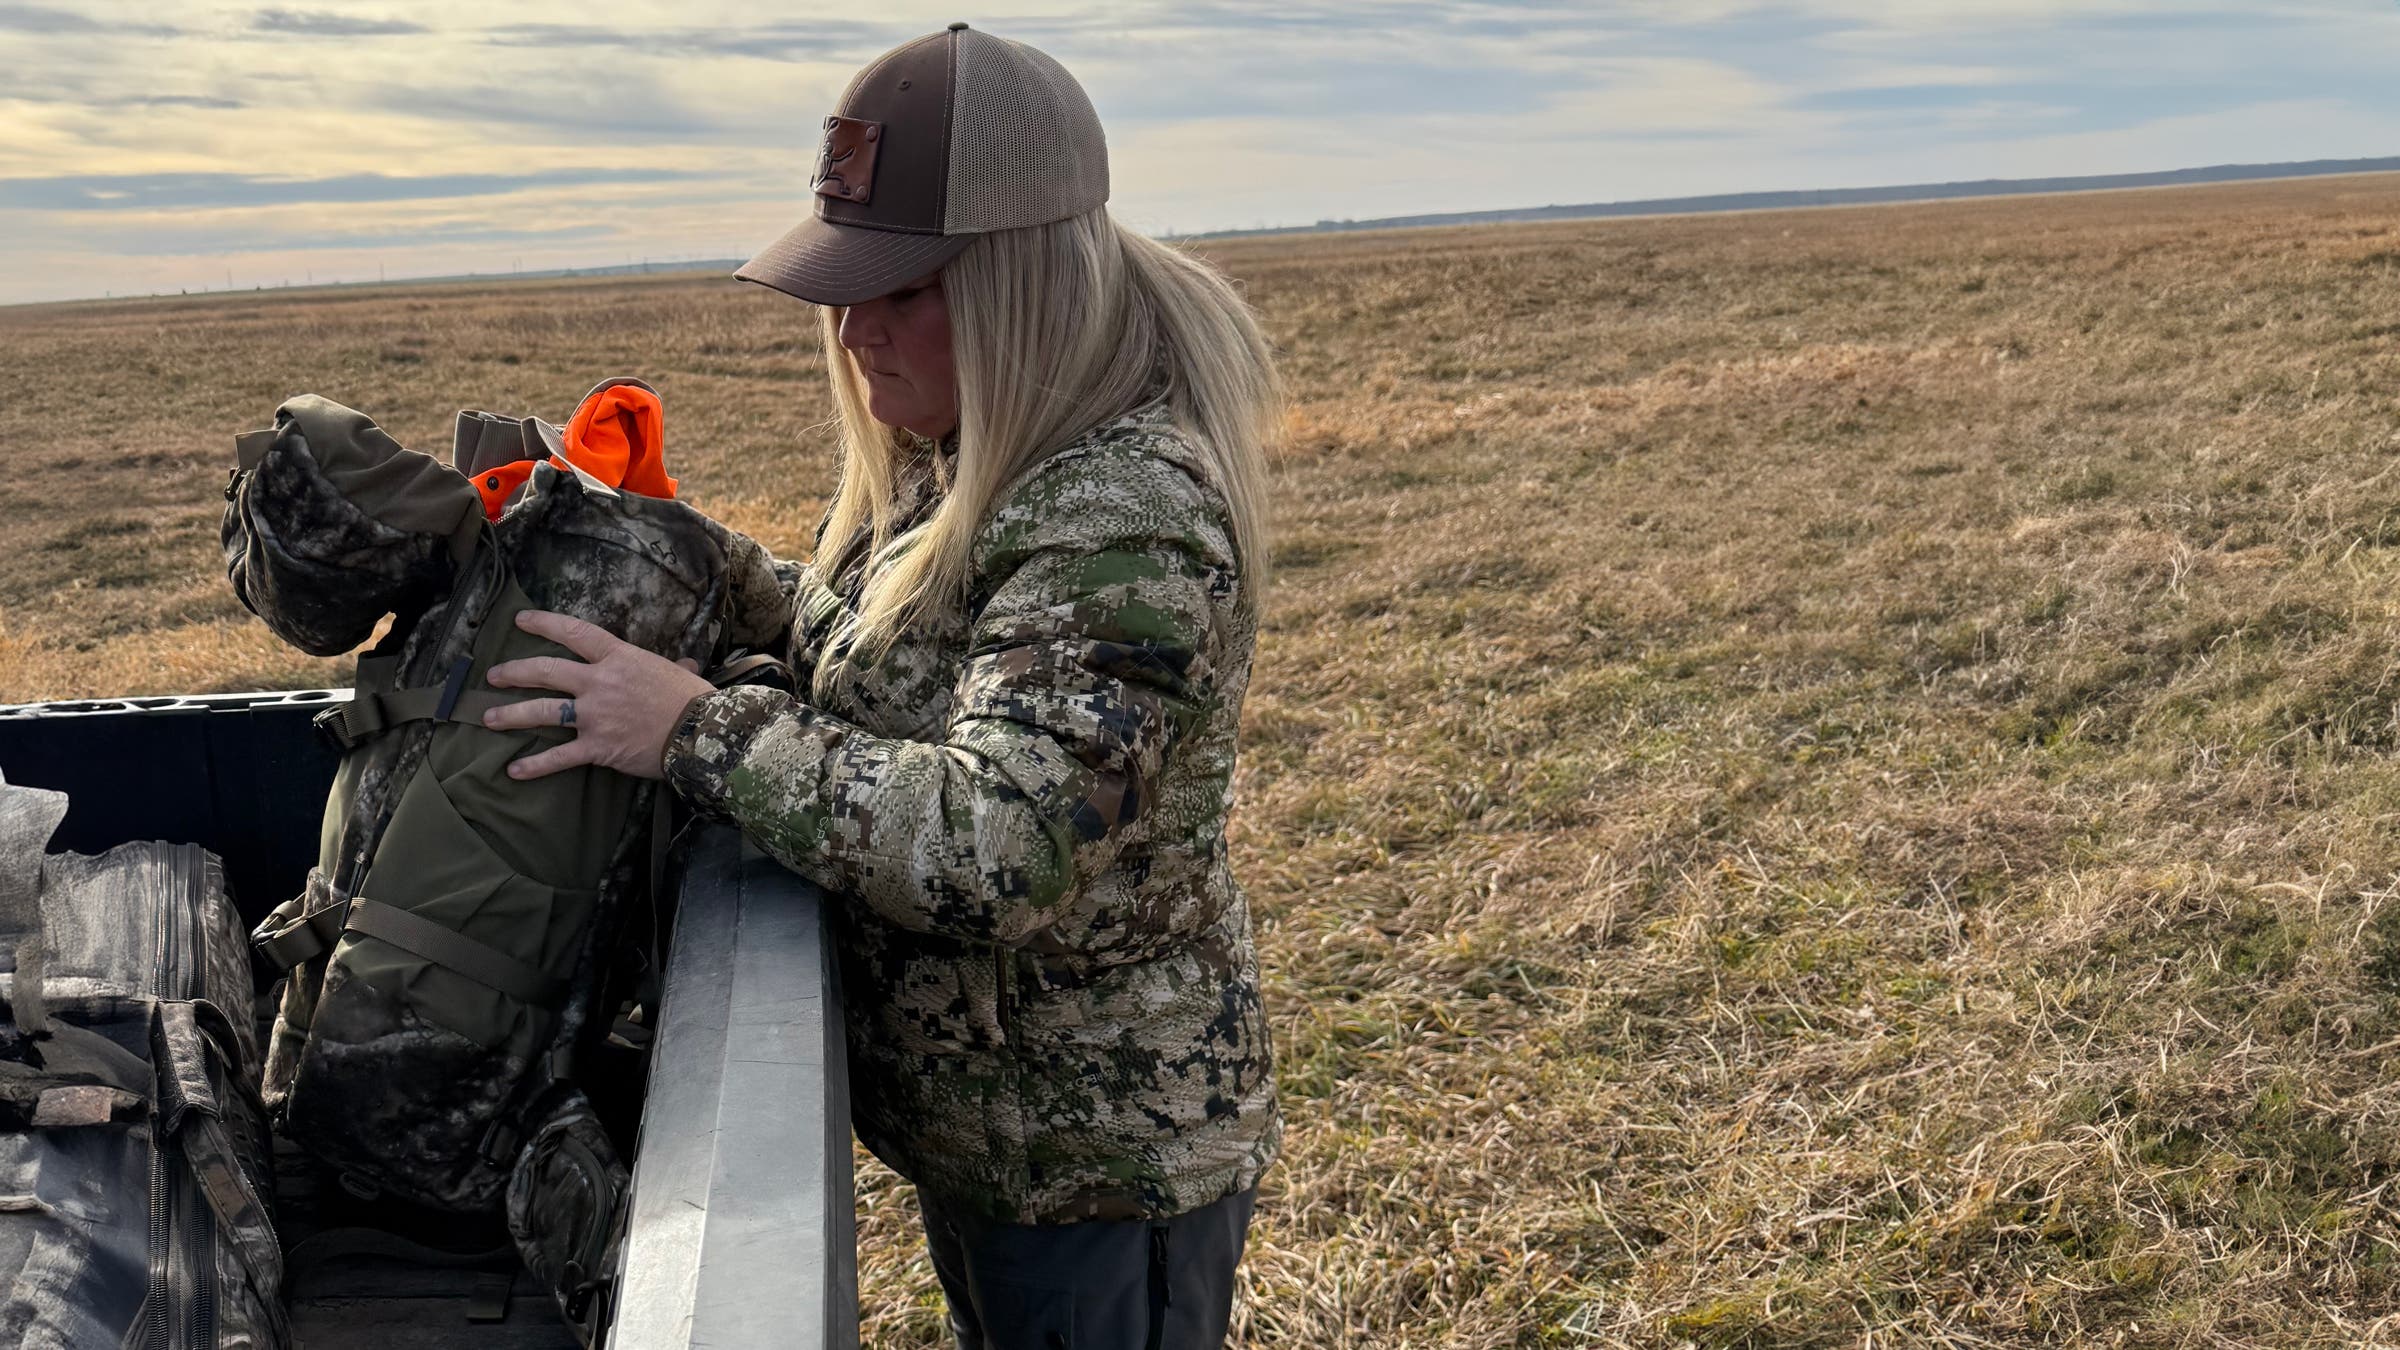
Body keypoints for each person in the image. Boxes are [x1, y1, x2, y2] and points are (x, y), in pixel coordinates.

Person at [478, 23, 1282, 1349]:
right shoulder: (974, 439)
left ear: (1024, 280)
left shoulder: (1124, 514)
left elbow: (1001, 843)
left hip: (1097, 1168)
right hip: (1002, 1140)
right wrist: (692, 554)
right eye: (845, 288)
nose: (854, 331)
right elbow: (888, 655)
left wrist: (696, 729)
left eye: (902, 288)